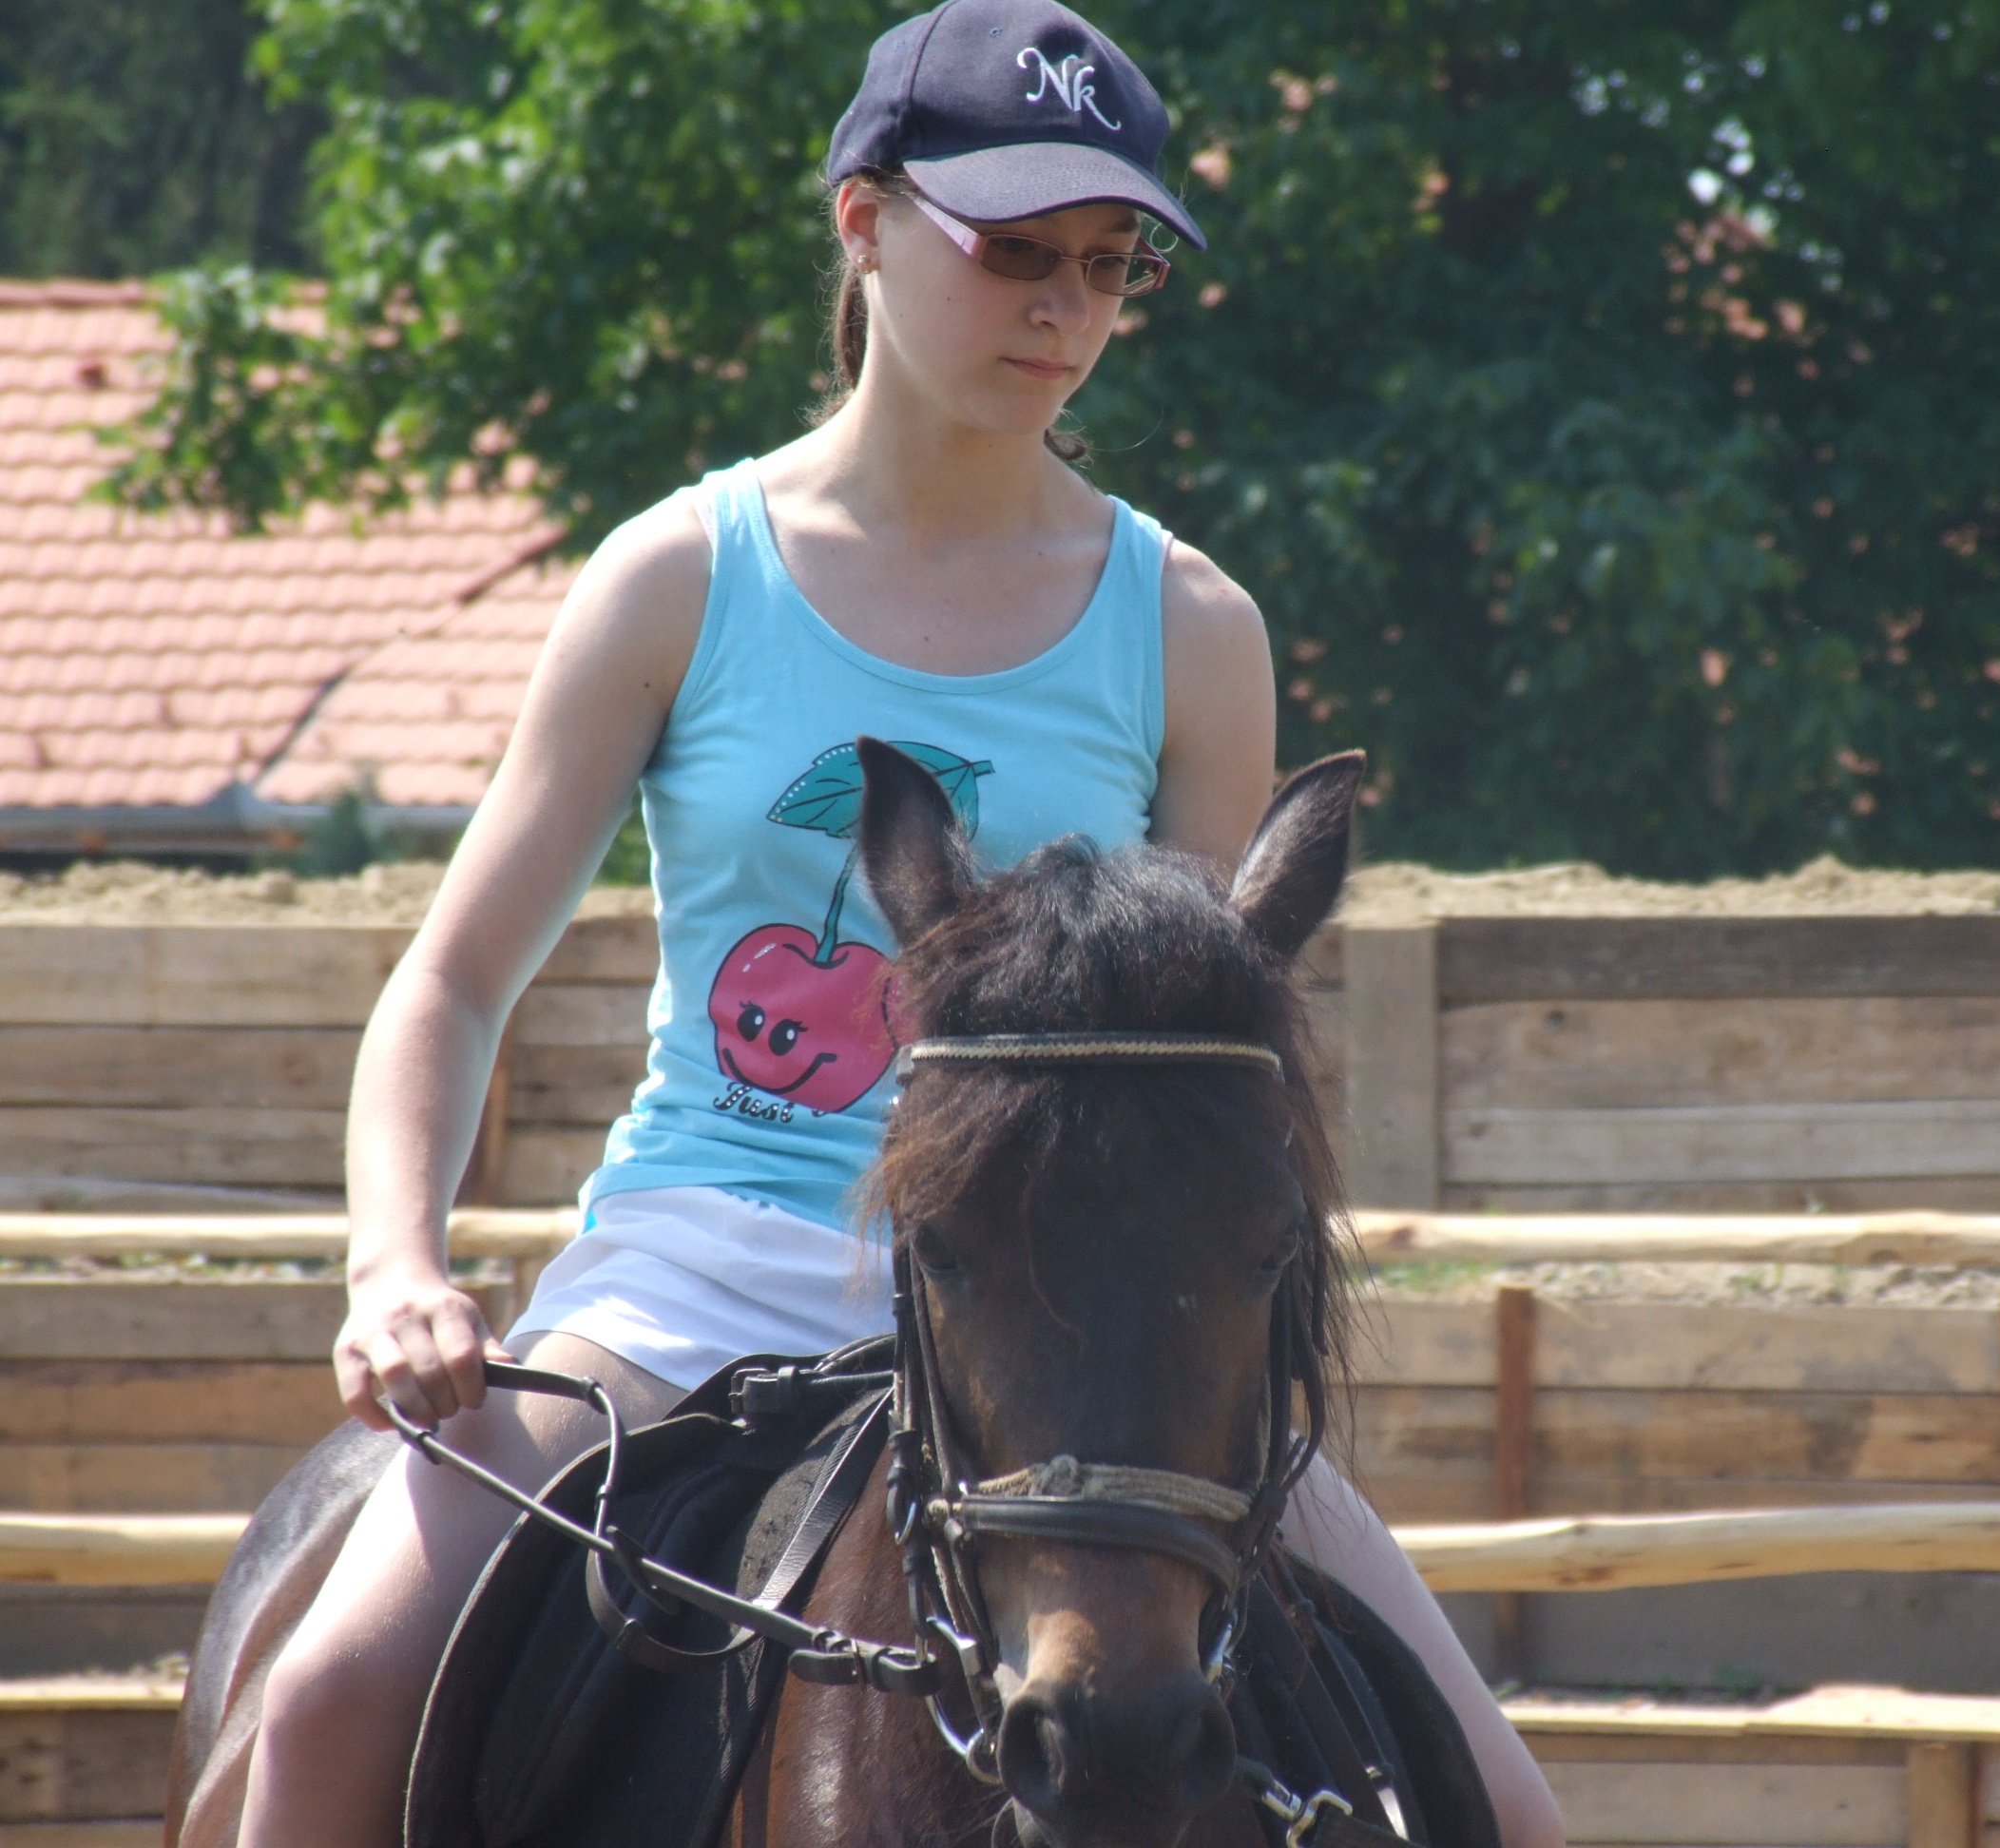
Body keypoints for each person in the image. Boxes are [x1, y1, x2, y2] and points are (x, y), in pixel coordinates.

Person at [236, 4, 1567, 1843]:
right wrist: (396, 1267)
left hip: (1074, 1320)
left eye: (1107, 265)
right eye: (1014, 252)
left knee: (1512, 1810)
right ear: (862, 221)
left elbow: (1200, 1078)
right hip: (698, 1273)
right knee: (327, 1704)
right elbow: (454, 981)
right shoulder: (677, 578)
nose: (1063, 308)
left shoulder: (1193, 628)